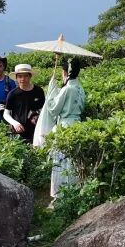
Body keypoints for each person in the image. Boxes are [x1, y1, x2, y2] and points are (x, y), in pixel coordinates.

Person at [37, 57, 87, 200]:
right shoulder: (80, 88)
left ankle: (61, 194)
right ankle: (76, 190)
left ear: (65, 72)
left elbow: (53, 108)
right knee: (74, 161)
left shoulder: (67, 89)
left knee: (62, 161)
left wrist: (52, 89)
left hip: (65, 126)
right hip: (77, 124)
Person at [3, 64, 45, 144]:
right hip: (18, 132)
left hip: (36, 131)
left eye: (25, 76)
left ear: (30, 76)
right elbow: (6, 113)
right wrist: (15, 123)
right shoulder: (13, 94)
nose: (23, 79)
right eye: (20, 76)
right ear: (16, 78)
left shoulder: (39, 91)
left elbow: (43, 109)